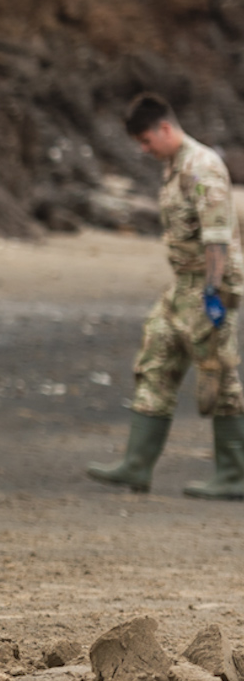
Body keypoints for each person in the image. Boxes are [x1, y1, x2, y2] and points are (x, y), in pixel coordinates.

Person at [88, 93, 244, 498]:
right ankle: (136, 466)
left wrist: (213, 296)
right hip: (183, 285)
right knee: (155, 358)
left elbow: (217, 238)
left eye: (146, 140)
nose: (144, 149)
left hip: (208, 287)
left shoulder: (203, 168)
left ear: (165, 128)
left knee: (219, 378)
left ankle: (234, 474)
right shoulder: (175, 166)